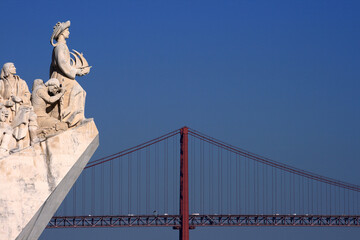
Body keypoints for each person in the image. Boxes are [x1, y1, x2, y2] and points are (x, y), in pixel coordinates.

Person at [49, 20, 90, 127]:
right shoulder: (60, 47)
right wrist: (77, 71)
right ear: (62, 32)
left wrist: (78, 69)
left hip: (64, 76)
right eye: (67, 30)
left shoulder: (61, 46)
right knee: (79, 91)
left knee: (80, 91)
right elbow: (62, 64)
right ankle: (71, 119)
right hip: (62, 78)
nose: (69, 32)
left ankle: (78, 118)